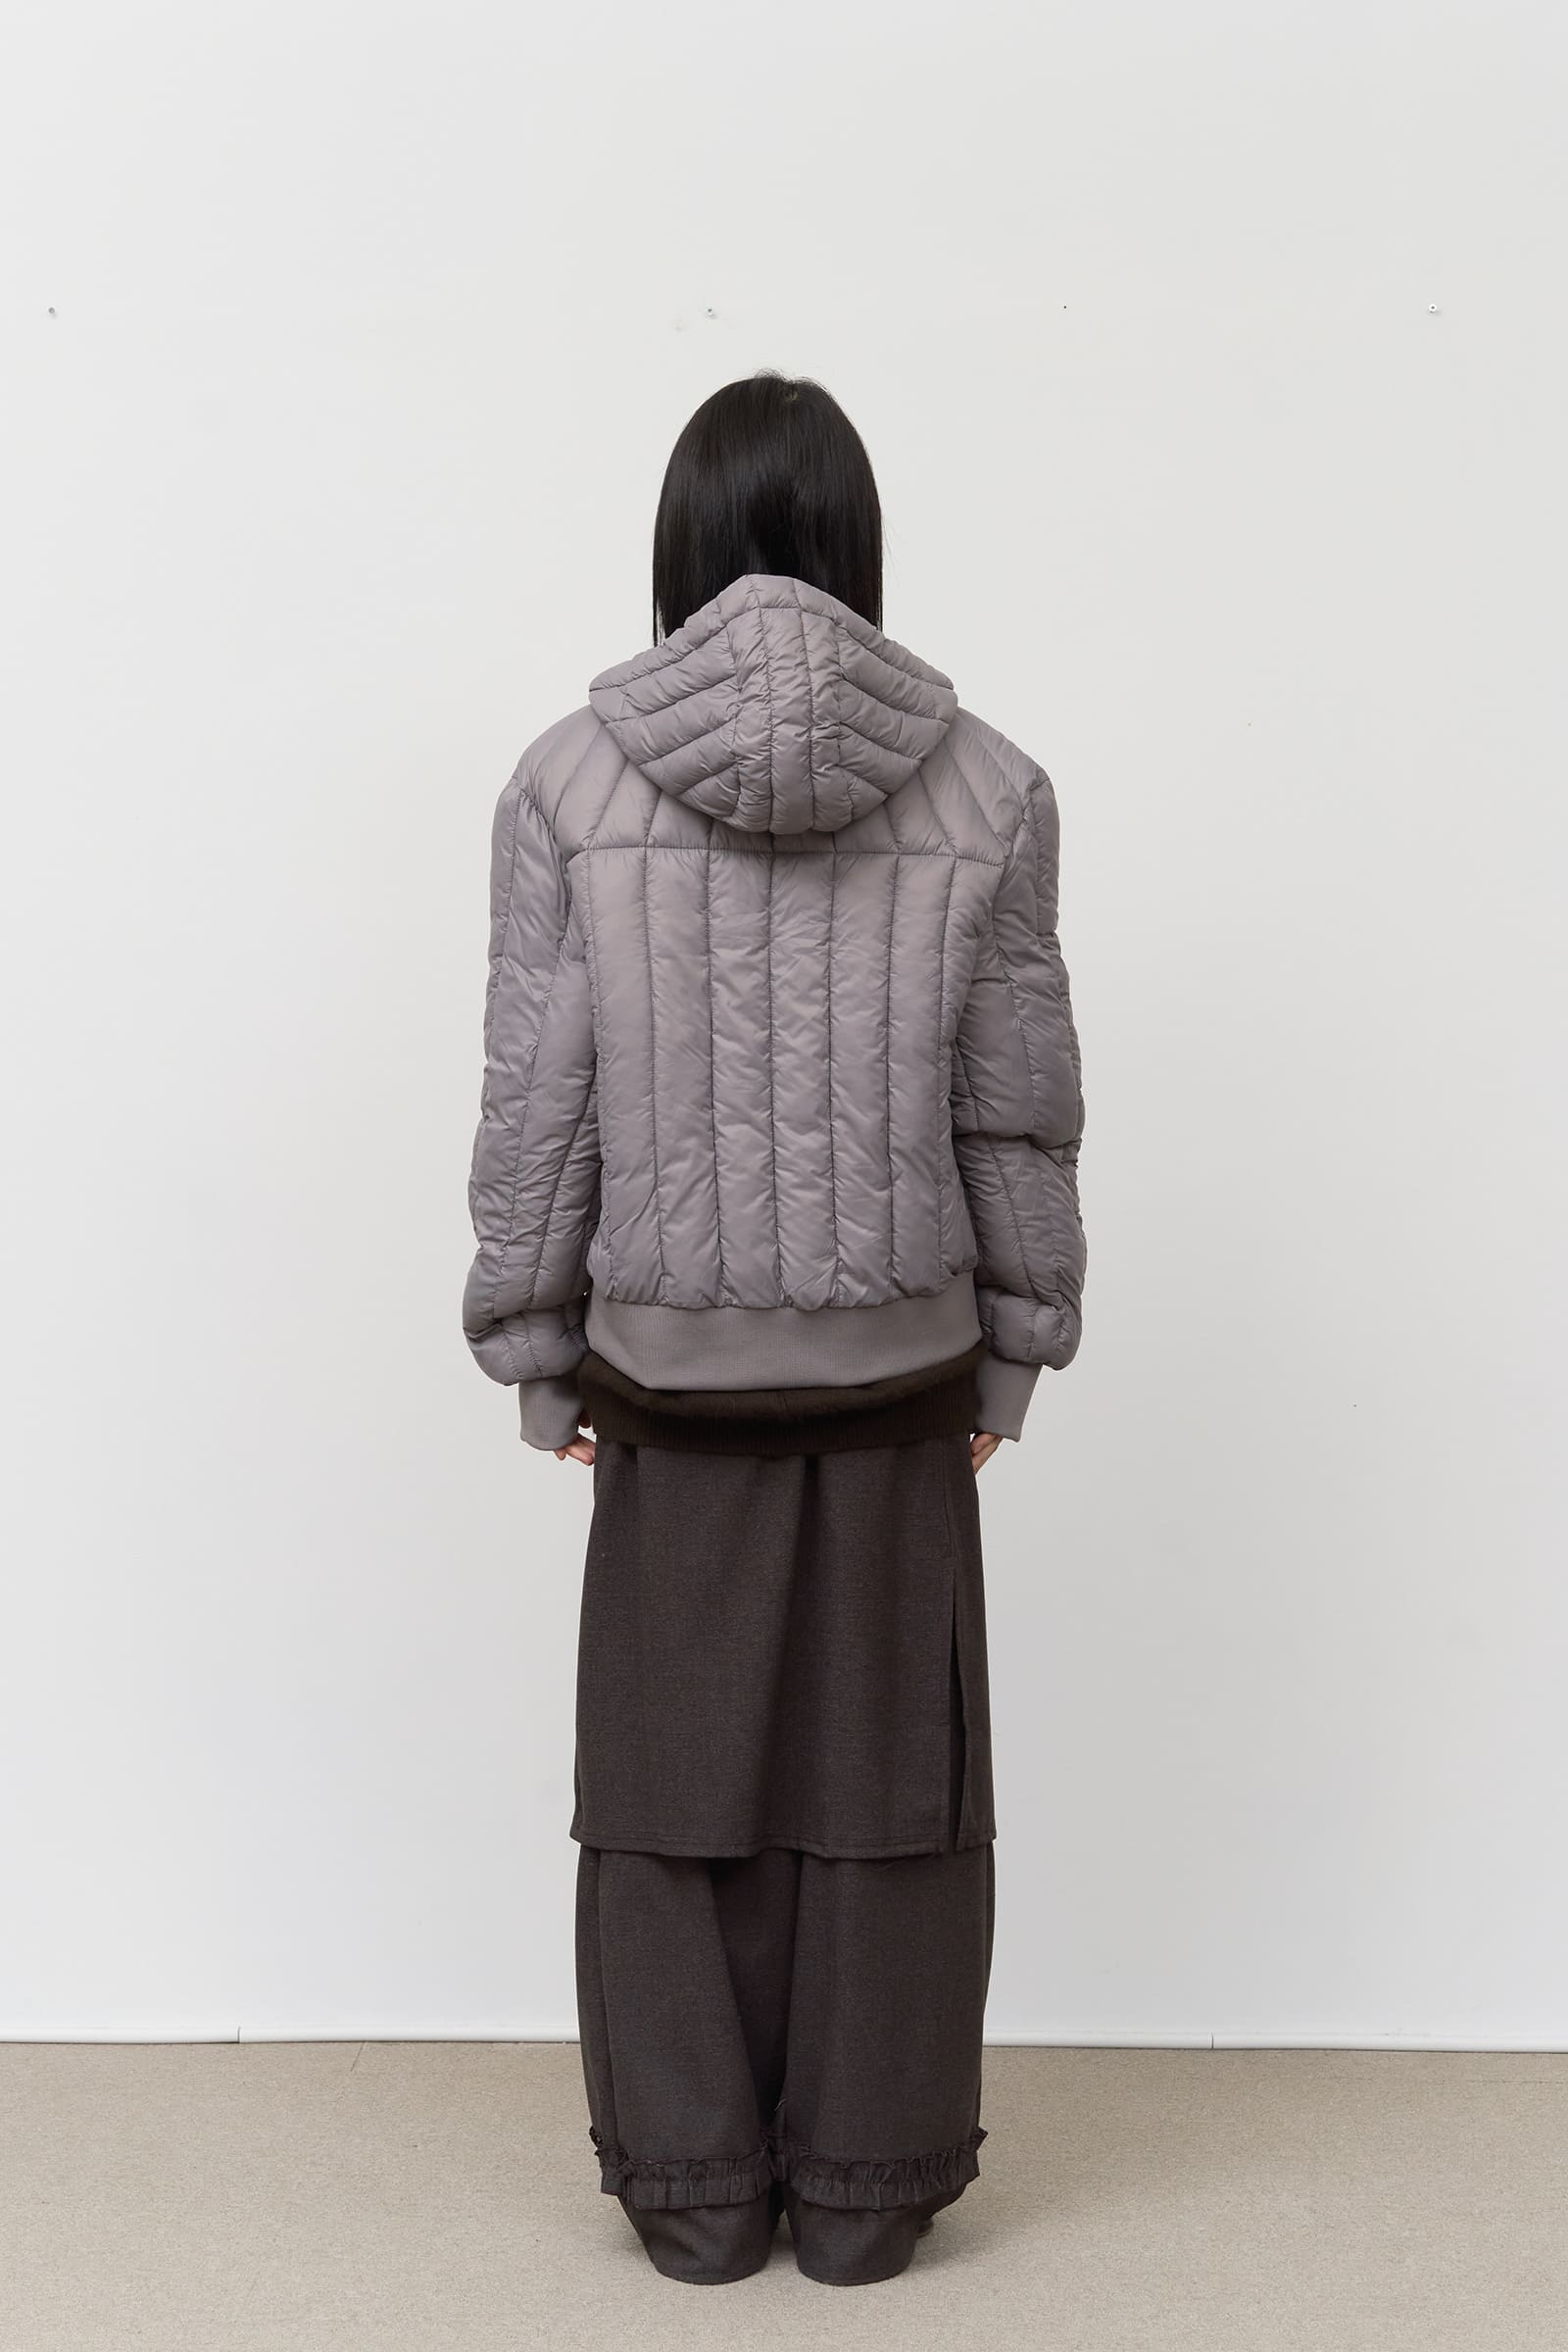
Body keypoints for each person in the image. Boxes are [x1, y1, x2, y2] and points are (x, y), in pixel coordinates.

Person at [462, 370, 1087, 2287]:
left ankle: (694, 2193)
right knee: (889, 1786)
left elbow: (538, 1097)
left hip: (665, 1376)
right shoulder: (991, 785)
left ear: (677, 542)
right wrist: (1016, 1340)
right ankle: (867, 2198)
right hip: (898, 1369)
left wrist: (534, 1340)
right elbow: (1013, 1101)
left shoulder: (568, 780)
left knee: (672, 1788)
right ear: (857, 546)